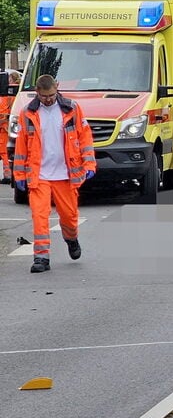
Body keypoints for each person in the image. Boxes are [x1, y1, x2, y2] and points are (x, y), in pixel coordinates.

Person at [13, 74, 96, 273]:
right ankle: (41, 257)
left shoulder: (71, 109)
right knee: (39, 216)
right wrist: (19, 176)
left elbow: (84, 137)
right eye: (44, 96)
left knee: (69, 216)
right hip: (39, 175)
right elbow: (21, 146)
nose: (48, 99)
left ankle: (71, 238)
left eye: (51, 95)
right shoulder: (28, 113)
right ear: (37, 93)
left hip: (65, 175)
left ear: (57, 88)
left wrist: (89, 163)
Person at [0, 70, 21, 183]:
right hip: (11, 127)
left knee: (4, 152)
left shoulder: (5, 96)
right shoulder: (17, 93)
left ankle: (8, 175)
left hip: (4, 128)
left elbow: (3, 114)